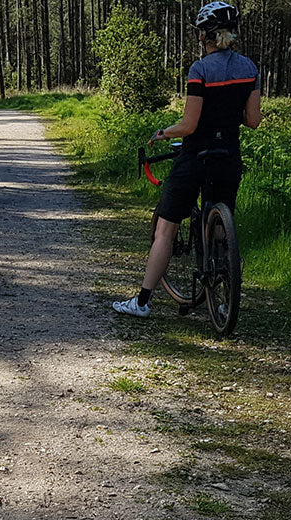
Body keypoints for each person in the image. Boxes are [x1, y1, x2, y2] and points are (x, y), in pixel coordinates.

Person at [113, 1, 261, 318]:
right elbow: (253, 120)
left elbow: (189, 125)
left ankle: (141, 302)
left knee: (165, 230)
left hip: (196, 155)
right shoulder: (249, 68)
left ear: (204, 36)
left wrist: (164, 133)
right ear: (231, 34)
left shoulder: (200, 70)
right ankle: (223, 297)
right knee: (221, 230)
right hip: (228, 157)